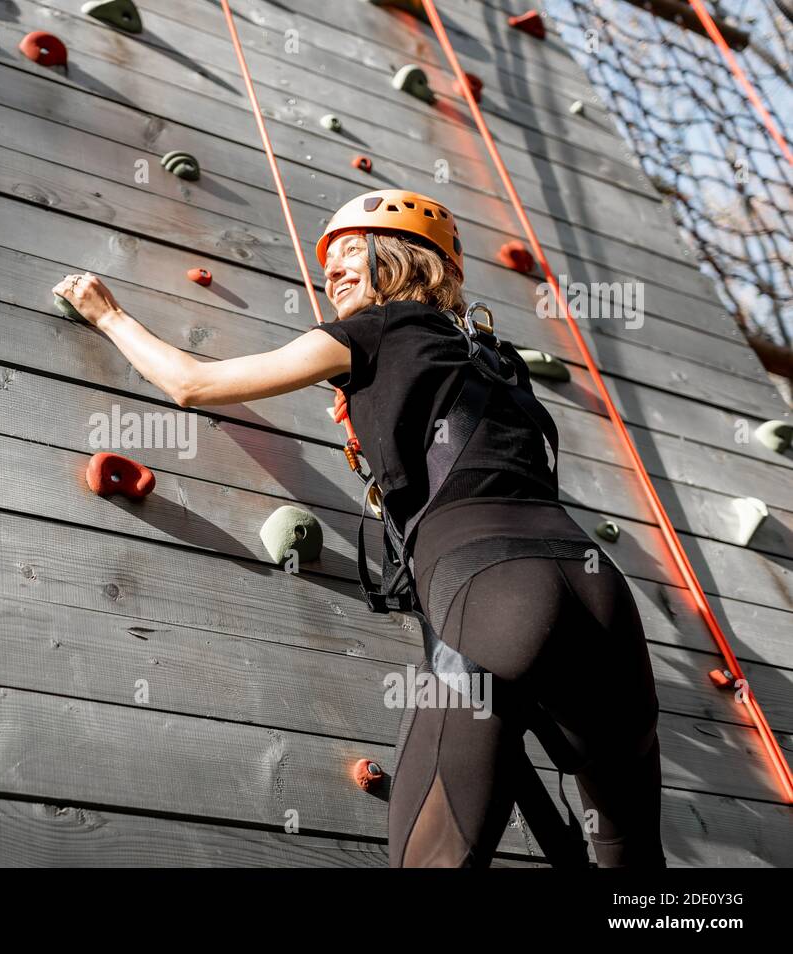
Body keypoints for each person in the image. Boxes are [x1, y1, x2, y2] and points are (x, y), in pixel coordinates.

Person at [52, 188, 664, 868]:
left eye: (351, 255)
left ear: (401, 260)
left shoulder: (372, 332)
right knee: (635, 870)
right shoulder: (498, 357)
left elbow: (195, 383)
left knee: (435, 857)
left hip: (490, 587)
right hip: (600, 598)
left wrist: (110, 318)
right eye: (329, 262)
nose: (333, 273)